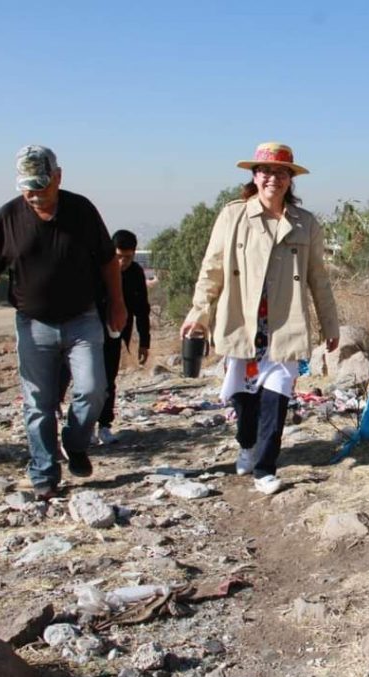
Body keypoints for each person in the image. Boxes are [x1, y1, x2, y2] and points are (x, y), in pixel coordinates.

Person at [0, 145, 126, 500]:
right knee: (38, 402)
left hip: (83, 319)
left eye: (41, 185)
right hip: (33, 324)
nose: (34, 194)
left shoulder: (81, 210)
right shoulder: (8, 217)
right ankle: (44, 471)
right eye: (27, 187)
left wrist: (118, 304)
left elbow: (107, 262)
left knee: (93, 388)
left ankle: (75, 441)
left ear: (58, 177)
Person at [181, 142, 339, 495]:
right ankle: (247, 443)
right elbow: (213, 268)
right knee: (243, 397)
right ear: (255, 176)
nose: (273, 179)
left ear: (290, 180)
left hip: (286, 323)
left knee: (277, 396)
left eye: (281, 173)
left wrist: (331, 325)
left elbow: (318, 277)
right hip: (242, 321)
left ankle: (266, 467)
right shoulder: (233, 215)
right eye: (266, 171)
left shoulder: (305, 223)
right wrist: (199, 314)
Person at [59, 229, 152, 445]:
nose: (122, 262)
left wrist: (144, 343)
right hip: (88, 334)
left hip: (115, 334)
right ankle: (84, 426)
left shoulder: (136, 274)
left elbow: (142, 310)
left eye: (127, 257)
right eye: (118, 256)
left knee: (108, 380)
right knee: (88, 381)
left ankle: (105, 425)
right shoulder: (96, 270)